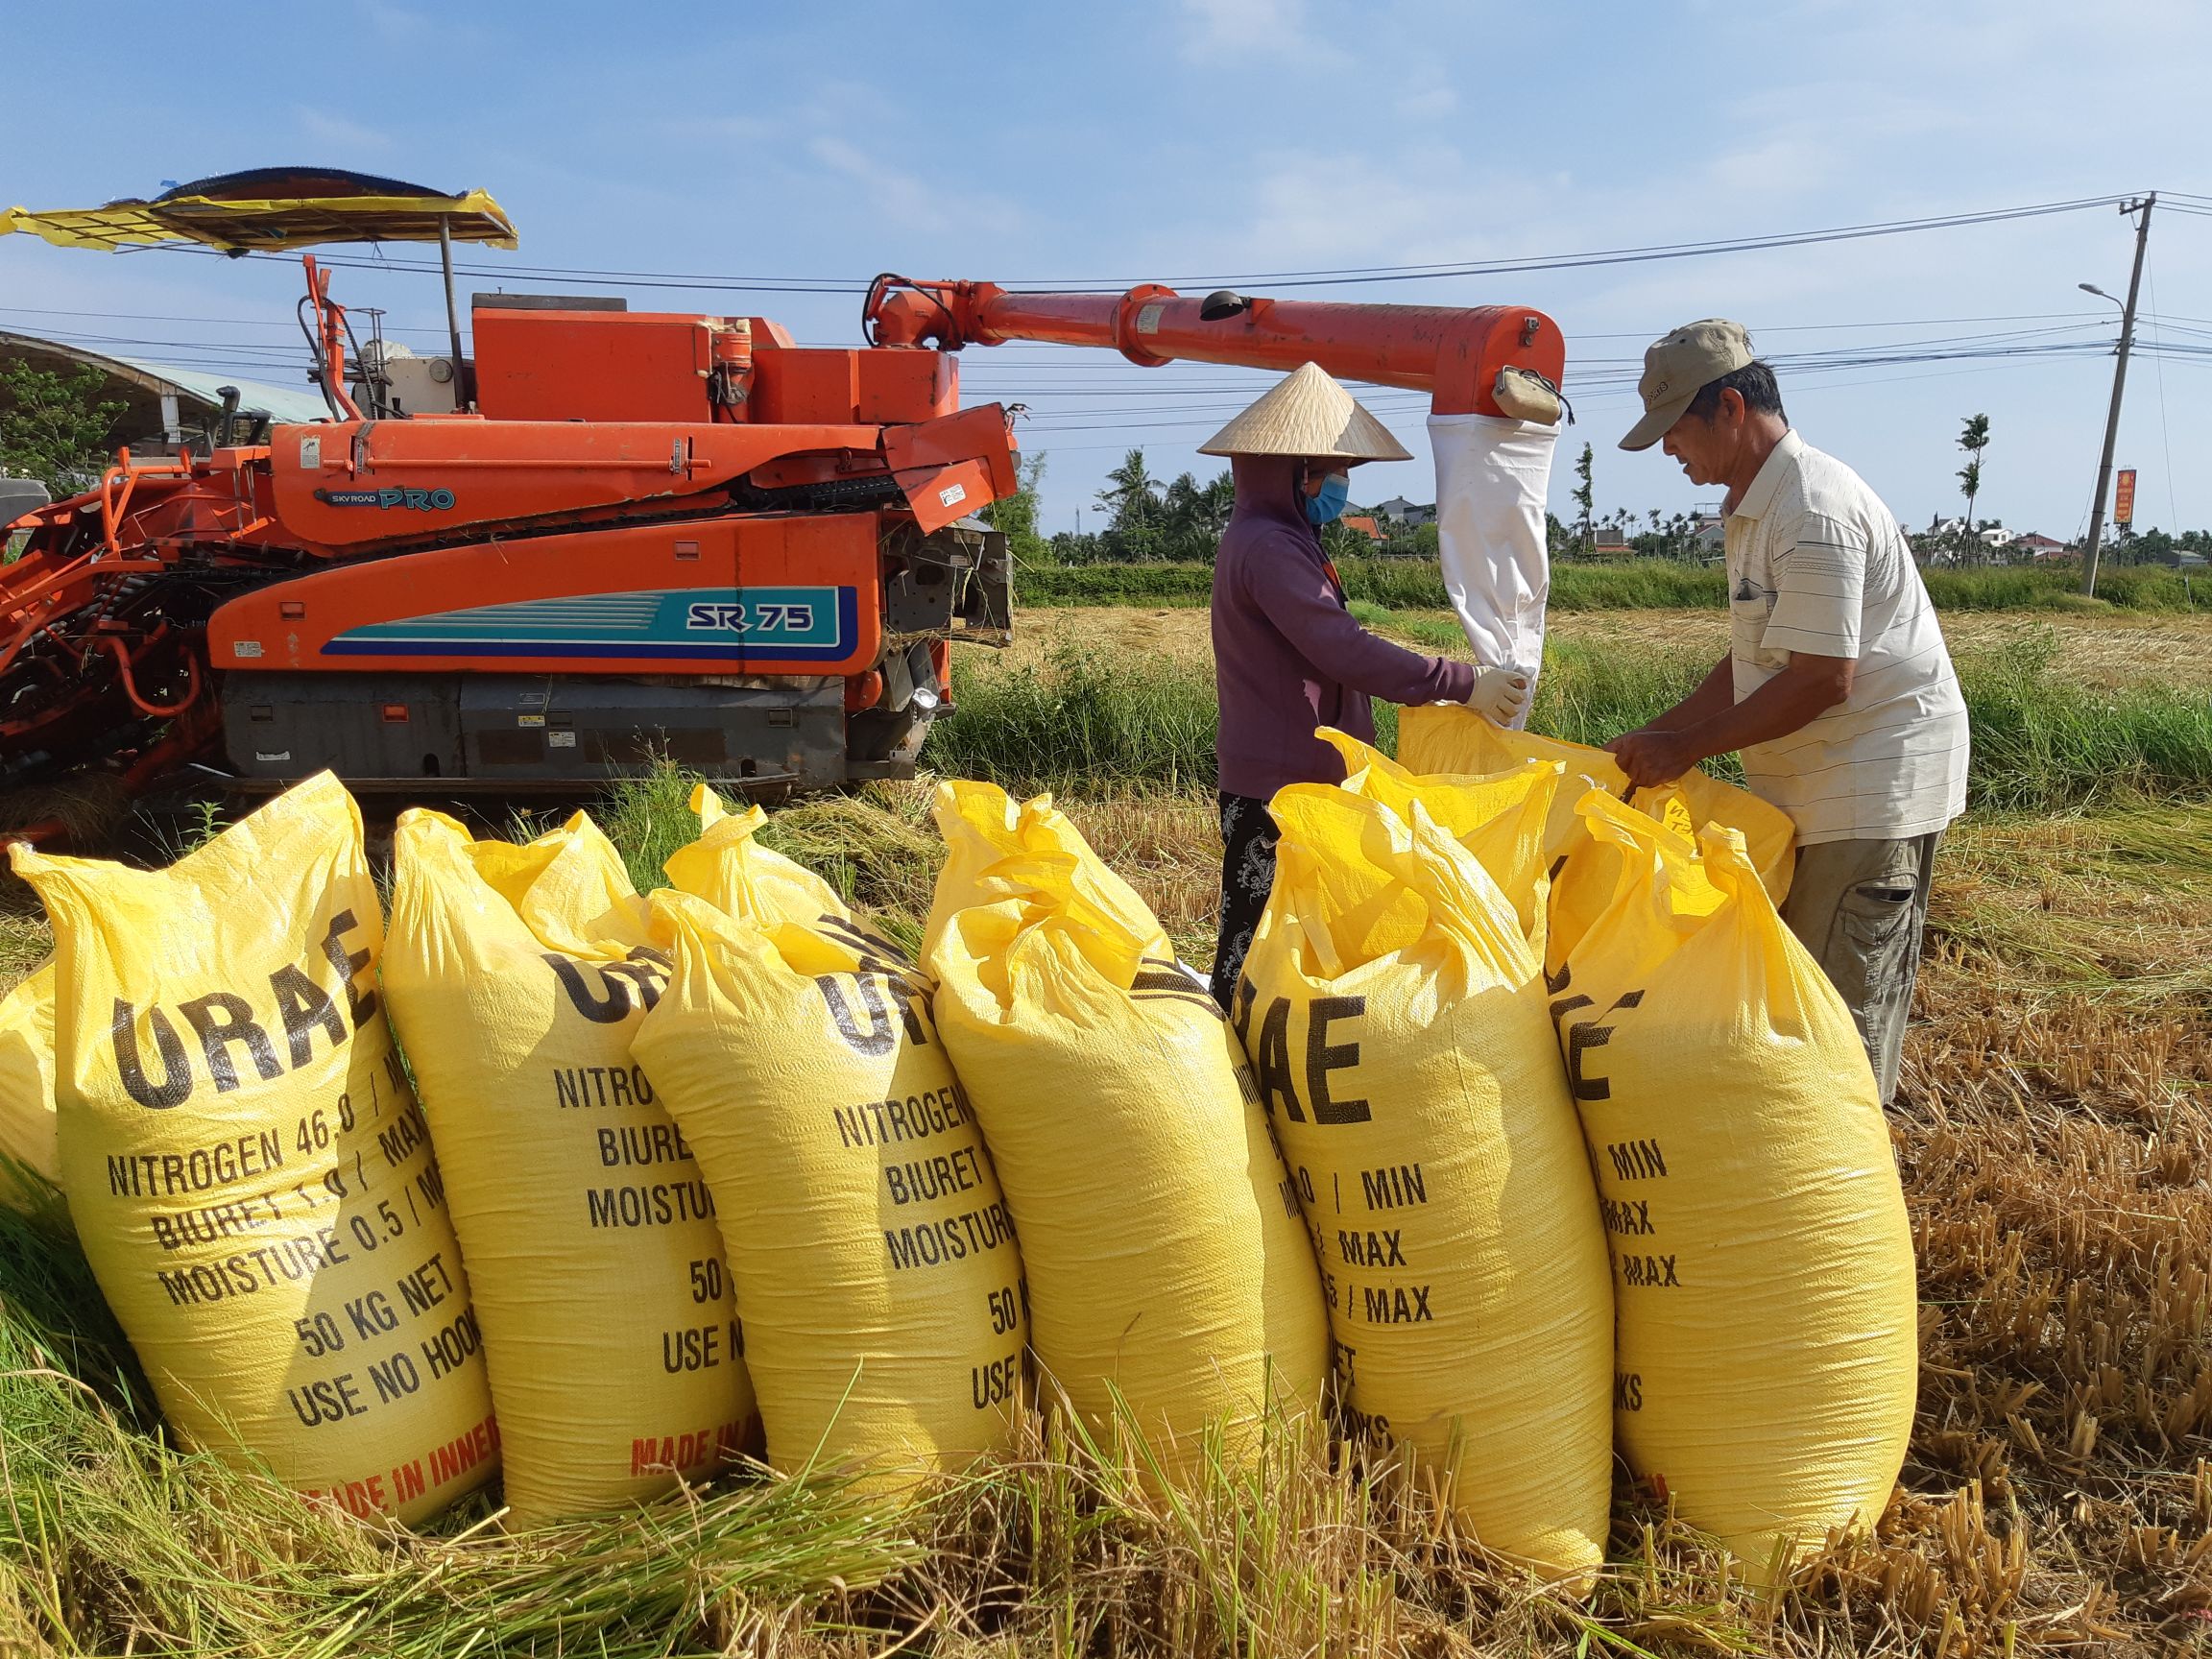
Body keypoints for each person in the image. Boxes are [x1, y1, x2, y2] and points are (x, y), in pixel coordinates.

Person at [1604, 320, 1969, 1105]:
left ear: (1730, 407)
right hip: (1817, 783)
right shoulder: (1756, 506)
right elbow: (1756, 662)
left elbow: (1819, 681)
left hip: (1870, 785)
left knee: (1842, 1006)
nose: (1671, 451)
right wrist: (1665, 735)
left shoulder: (1811, 510)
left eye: (1675, 431)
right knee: (1804, 981)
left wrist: (1687, 748)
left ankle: (1846, 1199)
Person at [1202, 362, 1529, 1008]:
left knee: (1307, 942)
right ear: (1294, 472)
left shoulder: (1285, 540)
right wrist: (1460, 683)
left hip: (1305, 774)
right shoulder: (1269, 548)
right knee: (1260, 945)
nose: (1341, 484)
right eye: (1332, 470)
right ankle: (1237, 1065)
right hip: (1281, 787)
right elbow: (1342, 649)